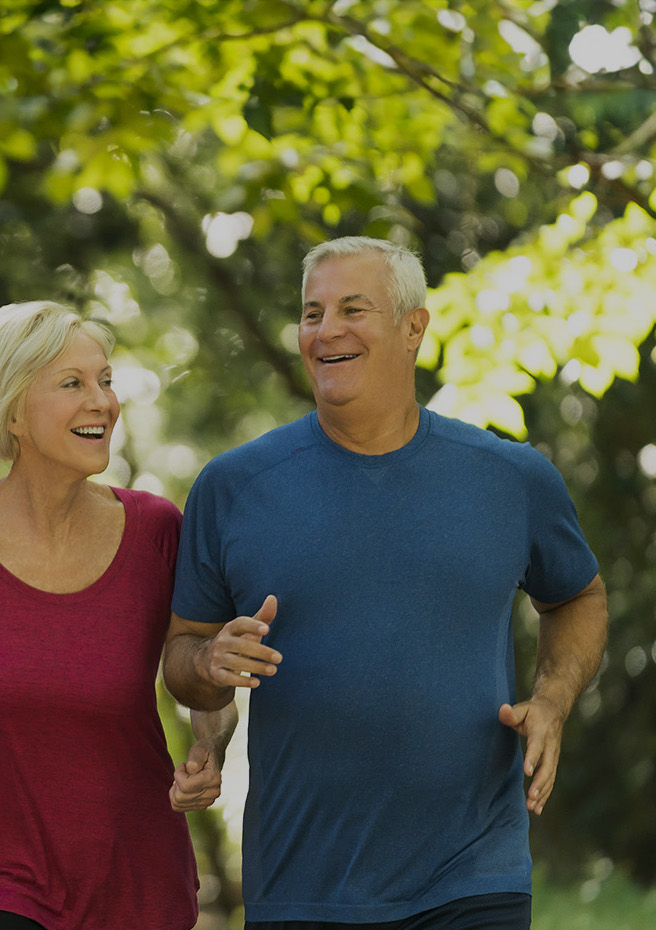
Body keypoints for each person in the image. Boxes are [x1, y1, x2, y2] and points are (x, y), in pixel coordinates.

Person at [163, 237, 609, 929]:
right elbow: (183, 659)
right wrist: (210, 664)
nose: (326, 330)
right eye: (312, 313)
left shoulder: (510, 478)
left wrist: (552, 700)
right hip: (301, 881)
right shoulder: (233, 487)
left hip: (472, 876)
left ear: (413, 327)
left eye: (352, 308)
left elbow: (578, 595)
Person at [0, 300, 232, 930]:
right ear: (11, 410)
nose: (104, 402)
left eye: (106, 380)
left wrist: (209, 748)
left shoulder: (157, 531)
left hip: (136, 874)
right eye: (73, 384)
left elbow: (197, 670)